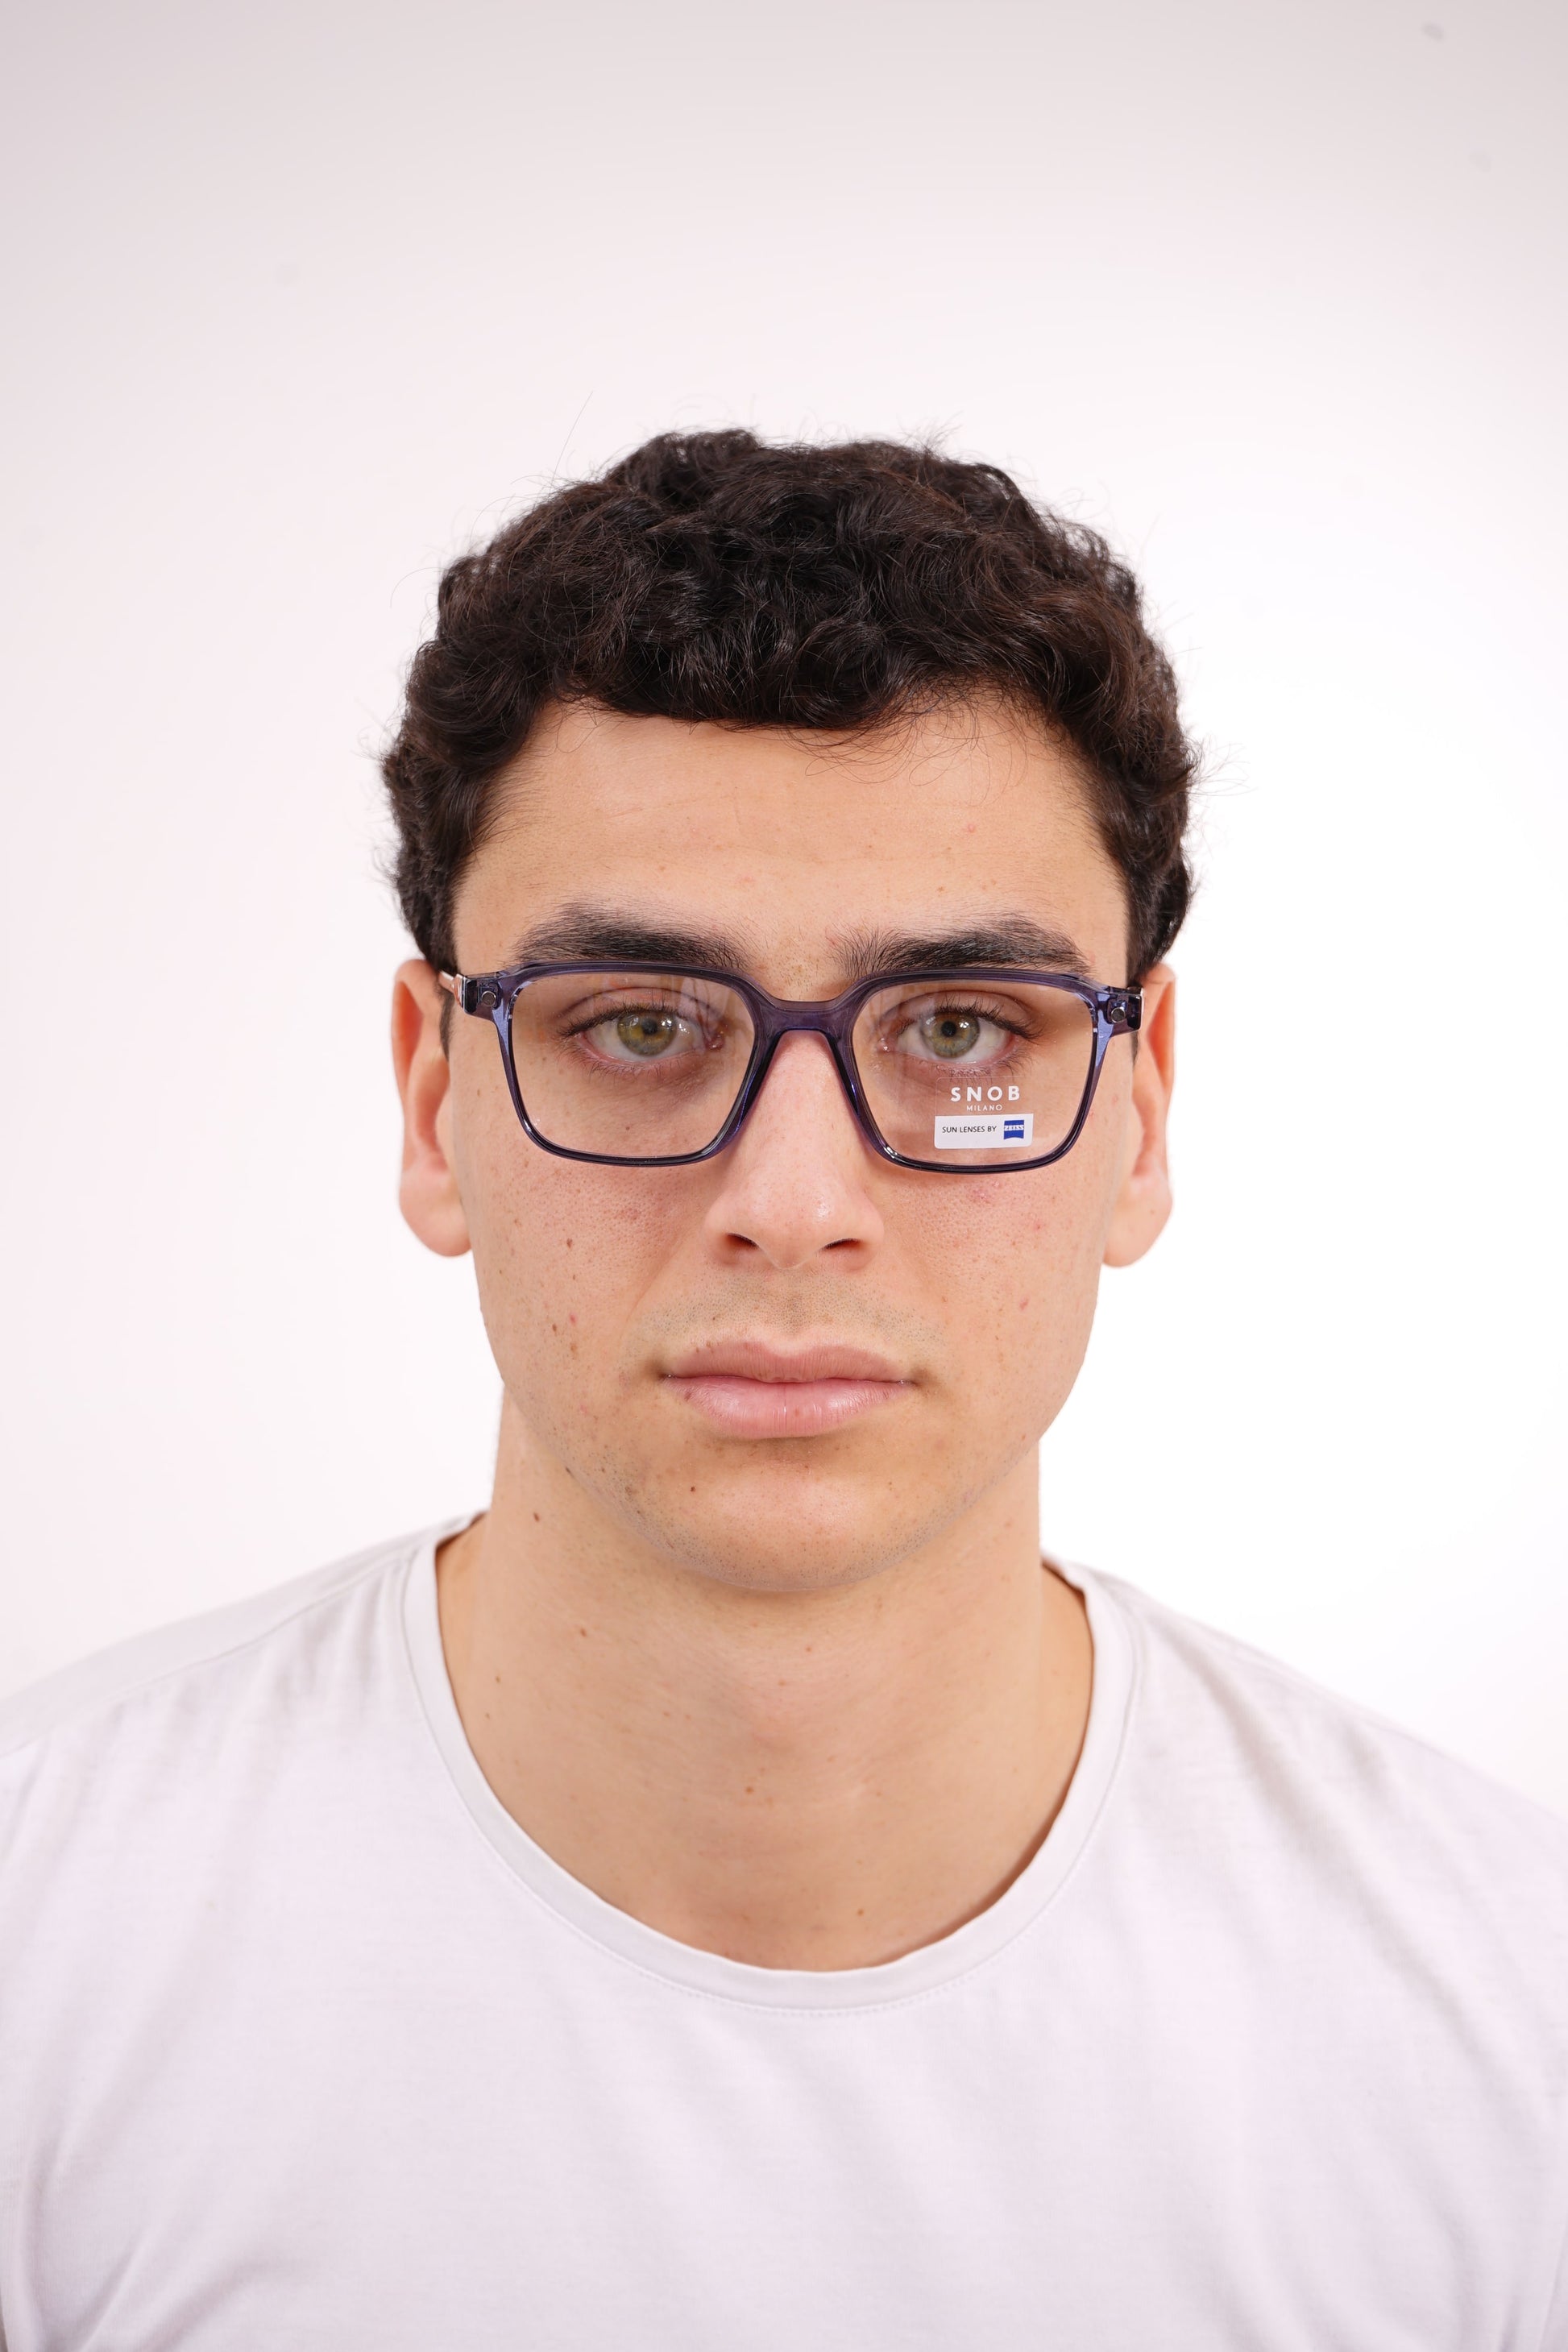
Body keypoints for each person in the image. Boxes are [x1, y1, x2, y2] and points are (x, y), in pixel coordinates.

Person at [2, 432, 1565, 2351]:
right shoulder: (40, 1945)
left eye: (961, 1026)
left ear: (1139, 1113)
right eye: (639, 1023)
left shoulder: (1507, 2025)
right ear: (431, 1098)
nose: (794, 1200)